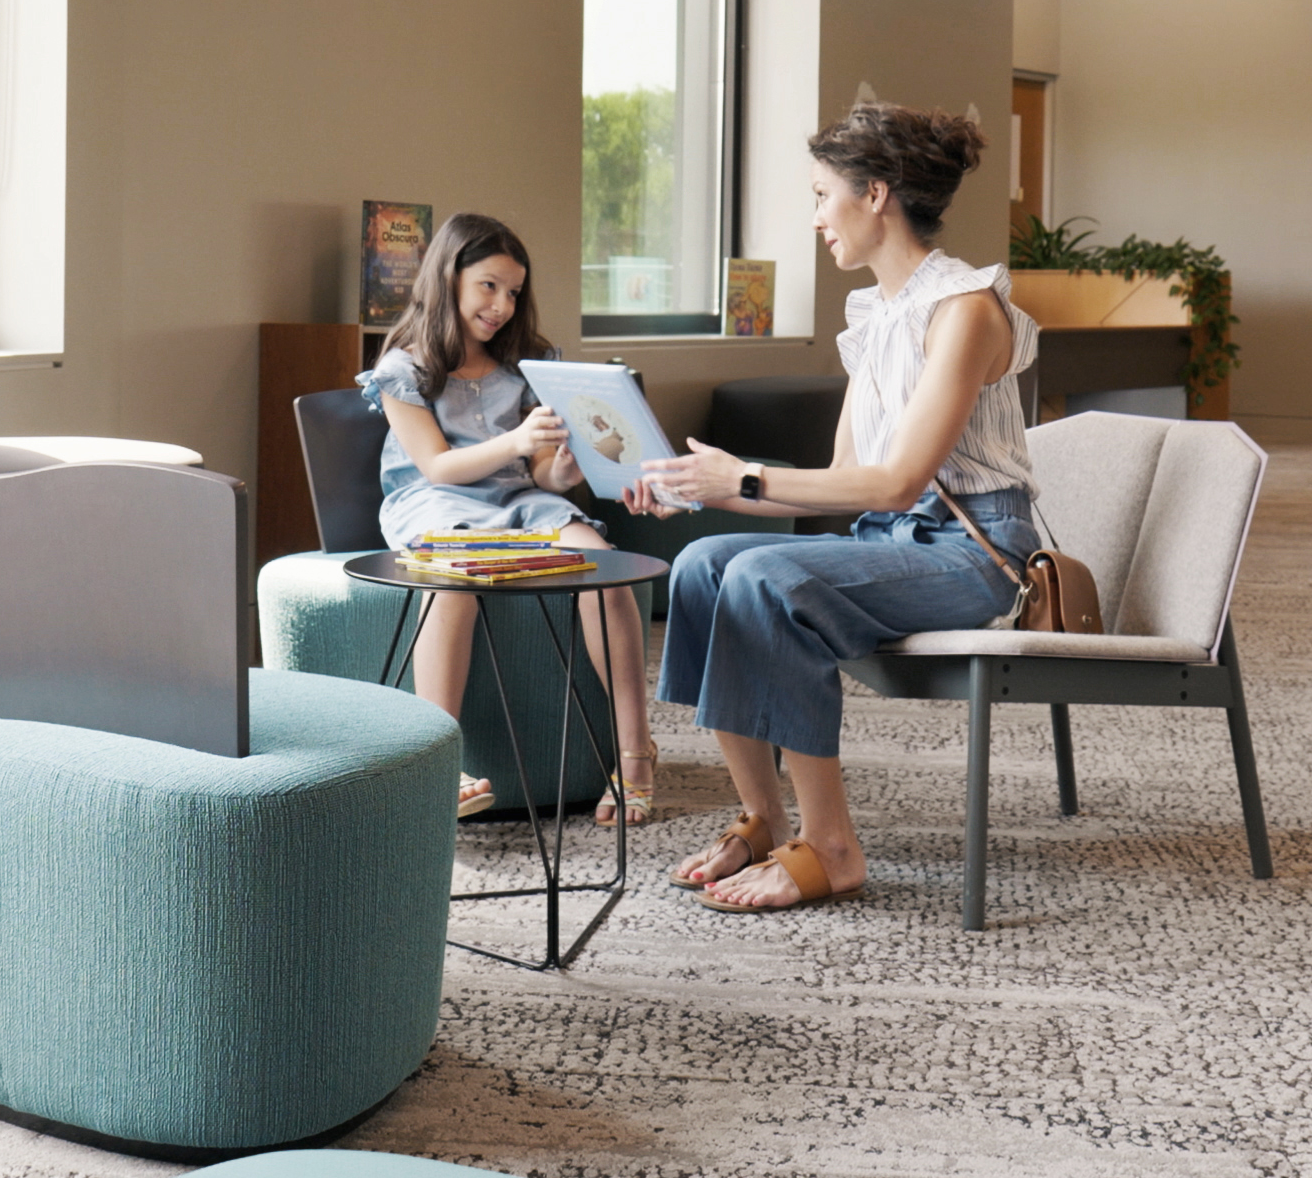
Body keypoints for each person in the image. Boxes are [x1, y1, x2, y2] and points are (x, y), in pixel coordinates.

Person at [624, 104, 1039, 912]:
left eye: (822, 196)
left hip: (973, 553)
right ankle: (763, 815)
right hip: (894, 542)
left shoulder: (965, 310)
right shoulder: (877, 315)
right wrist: (699, 486)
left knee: (768, 582)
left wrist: (742, 479)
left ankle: (832, 845)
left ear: (876, 193)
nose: (815, 218)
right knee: (706, 564)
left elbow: (896, 483)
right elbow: (846, 475)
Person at [361, 213, 659, 825]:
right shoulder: (405, 368)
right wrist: (521, 442)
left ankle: (635, 752)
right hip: (436, 499)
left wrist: (565, 468)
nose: (501, 305)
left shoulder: (529, 364)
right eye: (488, 286)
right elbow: (438, 466)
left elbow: (545, 474)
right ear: (450, 279)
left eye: (513, 291)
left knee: (603, 569)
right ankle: (438, 764)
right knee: (454, 580)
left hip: (520, 499)